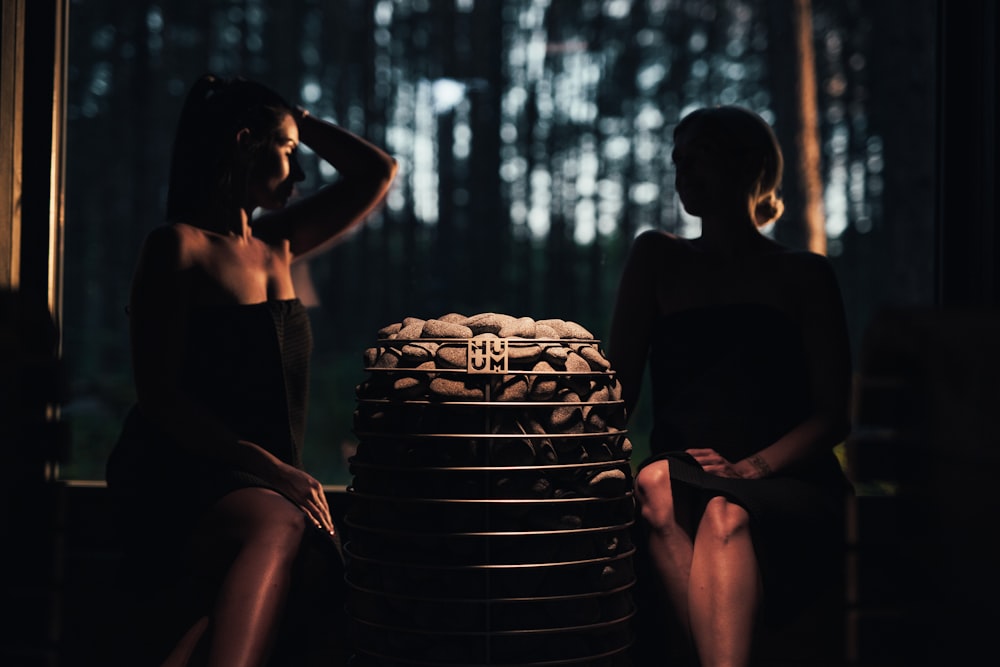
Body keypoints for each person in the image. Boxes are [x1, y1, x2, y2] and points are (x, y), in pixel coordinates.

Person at [105, 74, 397, 667]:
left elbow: (376, 172)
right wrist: (273, 470)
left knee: (323, 573)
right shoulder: (177, 247)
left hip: (261, 484)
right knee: (281, 526)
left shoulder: (278, 244)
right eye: (289, 151)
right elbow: (159, 399)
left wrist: (298, 119)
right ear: (245, 142)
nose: (303, 170)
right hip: (182, 472)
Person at [609, 106, 853, 667]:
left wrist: (751, 470)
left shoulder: (805, 274)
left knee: (725, 513)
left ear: (749, 165)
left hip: (787, 476)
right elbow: (617, 394)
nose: (683, 172)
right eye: (678, 161)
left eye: (699, 157)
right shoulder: (659, 257)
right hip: (685, 466)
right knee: (656, 485)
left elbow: (832, 415)